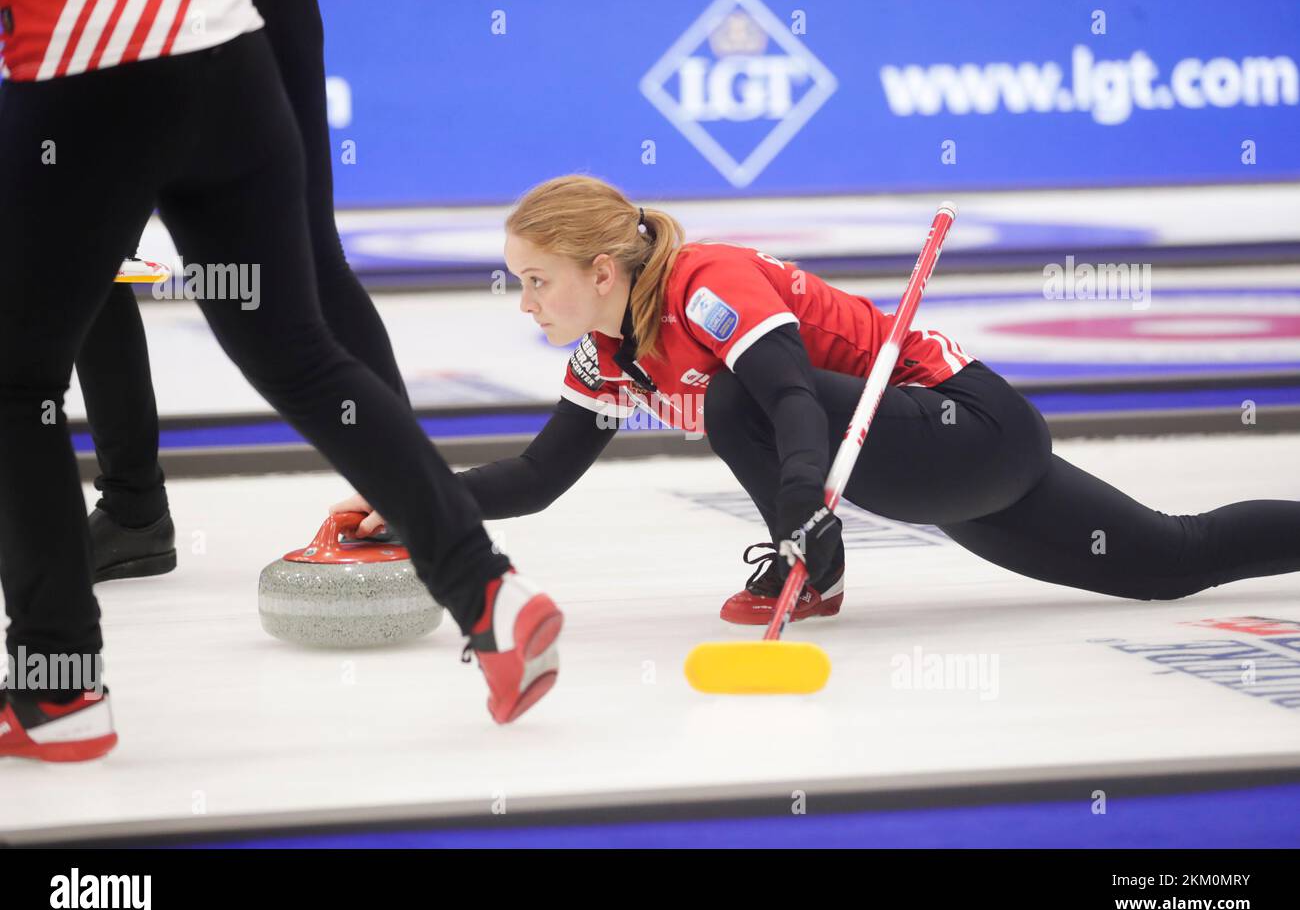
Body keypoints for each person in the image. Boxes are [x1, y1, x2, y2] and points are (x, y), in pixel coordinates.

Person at [0, 0, 559, 765]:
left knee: (18, 386)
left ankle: (57, 687)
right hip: (231, 52)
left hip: (93, 67)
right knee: (299, 350)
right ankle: (485, 588)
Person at [336, 173, 1300, 625]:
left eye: (535, 279)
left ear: (598, 269)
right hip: (928, 477)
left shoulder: (704, 283)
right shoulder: (607, 351)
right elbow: (540, 475)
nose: (525, 301)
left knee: (733, 399)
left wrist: (803, 513)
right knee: (1172, 562)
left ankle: (819, 568)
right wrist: (421, 507)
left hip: (969, 430)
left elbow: (791, 400)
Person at [78, 0, 409, 584]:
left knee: (306, 252)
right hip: (109, 15)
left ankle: (405, 491)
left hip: (236, 8)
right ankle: (132, 510)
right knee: (82, 258)